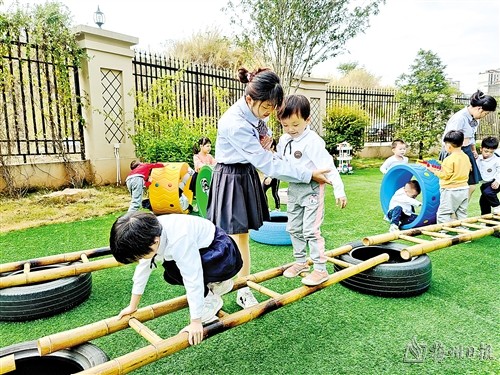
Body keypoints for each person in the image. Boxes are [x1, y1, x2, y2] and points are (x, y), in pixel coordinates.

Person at [206, 67, 331, 308]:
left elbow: (264, 134)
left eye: (273, 108)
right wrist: (308, 174)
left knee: (242, 237)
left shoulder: (254, 112)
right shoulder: (234, 124)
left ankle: (242, 288)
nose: (269, 113)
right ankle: (214, 287)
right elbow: (268, 163)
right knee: (225, 237)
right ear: (250, 98)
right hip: (231, 176)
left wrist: (267, 138)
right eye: (266, 108)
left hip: (245, 173)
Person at [110, 211, 242, 346]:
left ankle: (214, 292)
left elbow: (192, 278)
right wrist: (133, 306)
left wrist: (196, 321)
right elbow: (142, 271)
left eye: (140, 256)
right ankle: (218, 284)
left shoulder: (179, 239)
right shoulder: (149, 233)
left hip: (222, 254)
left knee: (177, 270)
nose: (140, 260)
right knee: (171, 272)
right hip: (206, 252)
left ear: (155, 242)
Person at [276, 95, 347, 286]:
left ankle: (320, 269)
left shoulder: (312, 141)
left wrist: (339, 190)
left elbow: (328, 166)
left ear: (307, 120)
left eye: (295, 125)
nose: (290, 130)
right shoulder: (284, 140)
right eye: (285, 125)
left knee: (310, 230)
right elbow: (281, 162)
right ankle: (300, 262)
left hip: (312, 189)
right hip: (294, 189)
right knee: (293, 228)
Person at [439, 90, 497, 199]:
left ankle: (460, 211)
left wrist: (473, 150)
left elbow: (471, 137)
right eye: (486, 113)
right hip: (453, 152)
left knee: (471, 185)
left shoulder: (475, 118)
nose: (485, 116)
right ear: (479, 108)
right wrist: (461, 155)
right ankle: (452, 213)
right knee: (454, 186)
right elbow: (449, 140)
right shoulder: (459, 118)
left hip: (466, 151)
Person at [426, 130, 471, 223]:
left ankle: (443, 233)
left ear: (449, 146)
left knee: (444, 213)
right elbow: (469, 169)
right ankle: (464, 231)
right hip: (464, 188)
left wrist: (433, 170)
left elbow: (445, 175)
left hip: (450, 190)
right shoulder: (465, 156)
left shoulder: (449, 159)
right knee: (462, 212)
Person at [476, 136, 500, 215]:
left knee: (488, 192)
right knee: (483, 202)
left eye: (491, 152)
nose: (488, 154)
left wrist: (497, 181)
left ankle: (497, 206)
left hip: (496, 181)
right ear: (481, 149)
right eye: (486, 151)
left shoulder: (496, 160)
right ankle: (487, 221)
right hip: (485, 184)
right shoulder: (478, 159)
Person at [261, 139, 281, 211]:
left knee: (274, 193)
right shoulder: (266, 156)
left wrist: (270, 177)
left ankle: (277, 208)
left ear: (272, 147)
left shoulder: (275, 156)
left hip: (274, 178)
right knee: (262, 192)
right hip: (267, 177)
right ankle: (267, 208)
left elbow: (276, 168)